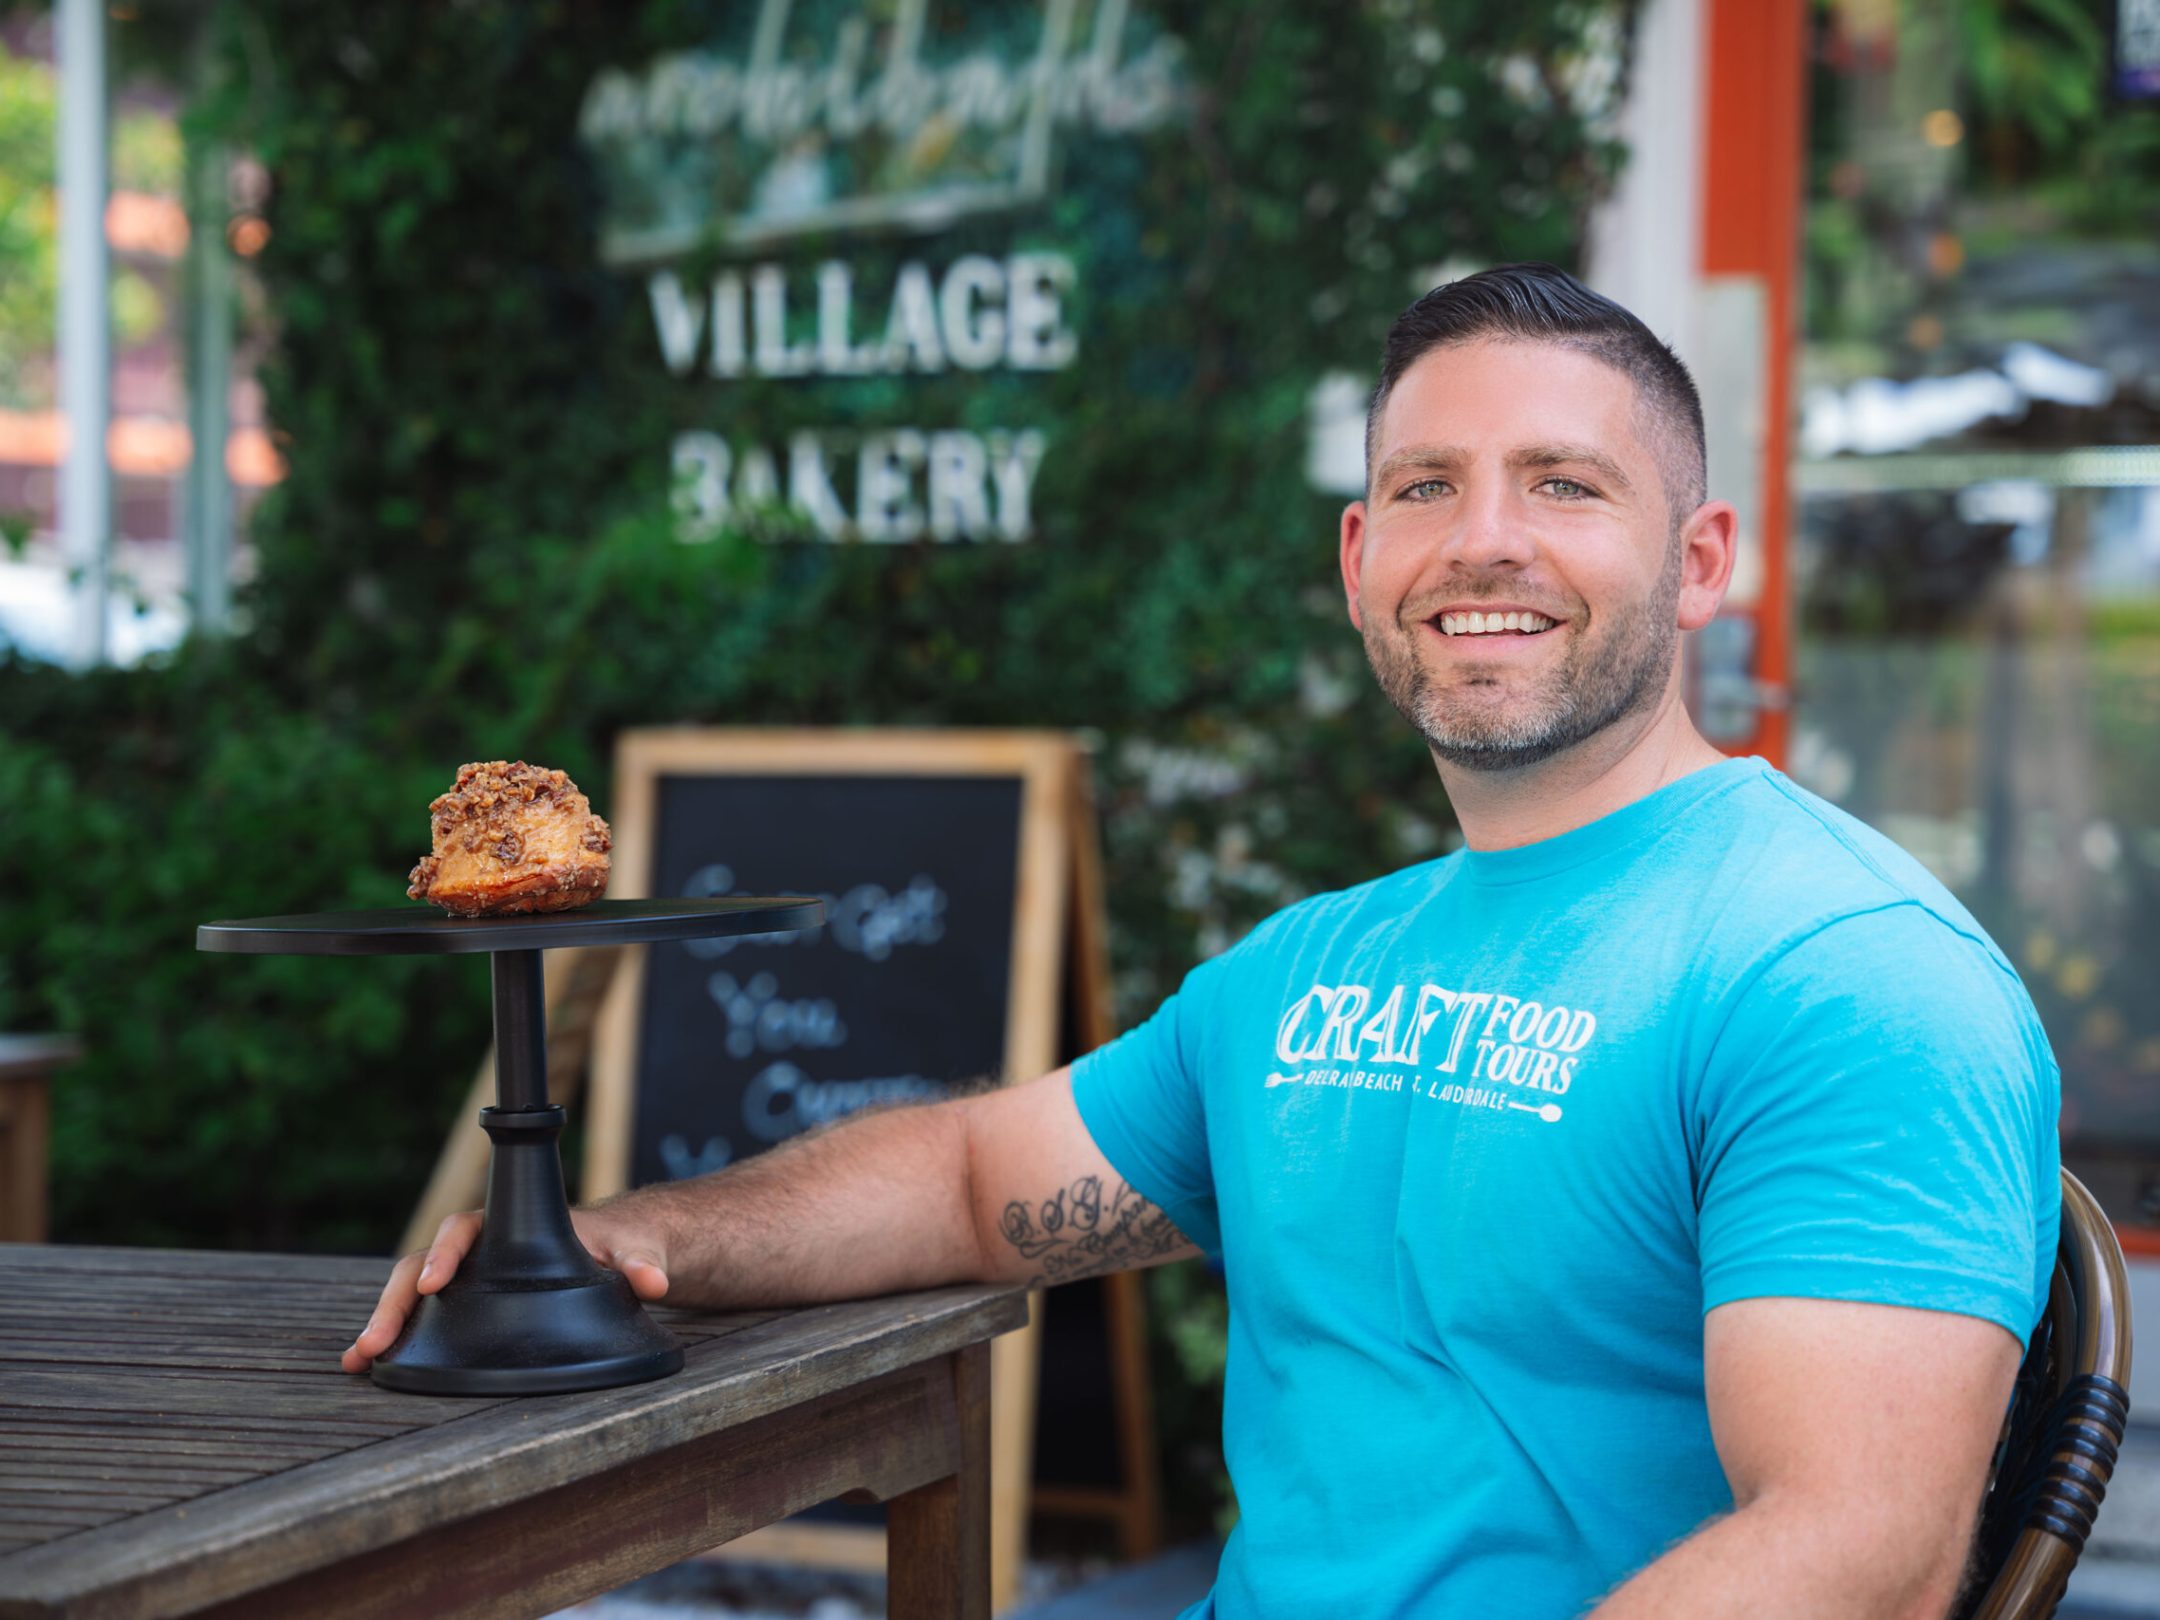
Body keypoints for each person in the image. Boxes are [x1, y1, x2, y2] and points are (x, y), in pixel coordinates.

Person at [347, 264, 2059, 1620]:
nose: (1485, 538)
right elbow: (974, 1186)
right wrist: (633, 1236)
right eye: (1427, 485)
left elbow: (1859, 1556)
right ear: (1360, 558)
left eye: (1564, 483)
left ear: (1697, 563)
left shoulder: (1841, 972)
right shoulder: (1315, 973)